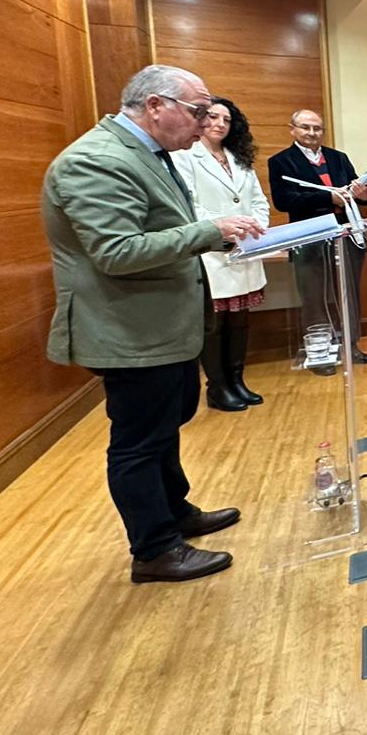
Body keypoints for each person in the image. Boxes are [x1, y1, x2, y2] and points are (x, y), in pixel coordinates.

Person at [43, 65, 261, 583]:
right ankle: (154, 548)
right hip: (128, 328)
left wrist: (211, 233)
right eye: (197, 111)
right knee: (139, 442)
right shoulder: (96, 161)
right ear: (155, 106)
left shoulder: (148, 155)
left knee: (166, 426)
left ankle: (175, 513)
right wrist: (207, 230)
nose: (205, 121)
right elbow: (115, 252)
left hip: (161, 324)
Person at [175, 96, 271, 411]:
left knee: (239, 321)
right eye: (213, 117)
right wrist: (224, 227)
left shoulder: (239, 158)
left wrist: (254, 227)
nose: (219, 124)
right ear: (200, 119)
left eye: (226, 120)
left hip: (246, 248)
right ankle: (217, 387)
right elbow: (188, 204)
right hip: (212, 250)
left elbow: (258, 201)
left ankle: (237, 380)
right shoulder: (186, 157)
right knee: (215, 324)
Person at [269, 108, 367, 367]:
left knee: (348, 294)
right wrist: (328, 197)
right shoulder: (281, 161)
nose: (312, 133)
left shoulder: (338, 158)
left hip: (346, 236)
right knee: (313, 295)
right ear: (292, 129)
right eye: (305, 127)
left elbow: (359, 194)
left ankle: (351, 347)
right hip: (309, 238)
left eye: (317, 128)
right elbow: (284, 201)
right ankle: (319, 355)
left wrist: (363, 195)